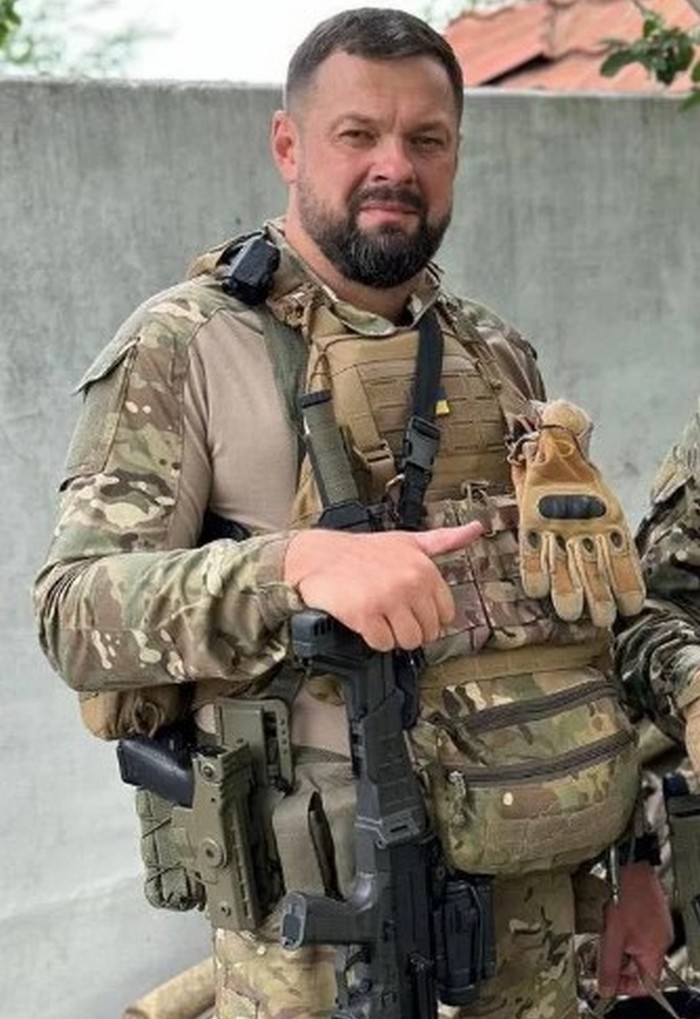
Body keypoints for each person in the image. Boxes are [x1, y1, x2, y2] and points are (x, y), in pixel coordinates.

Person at [33, 8, 671, 1018]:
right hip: (331, 951)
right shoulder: (187, 346)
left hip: (536, 933)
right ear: (289, 146)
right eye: (357, 134)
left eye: (426, 139)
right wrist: (291, 567)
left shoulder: (496, 353)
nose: (394, 167)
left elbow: (579, 624)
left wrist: (632, 868)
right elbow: (73, 610)